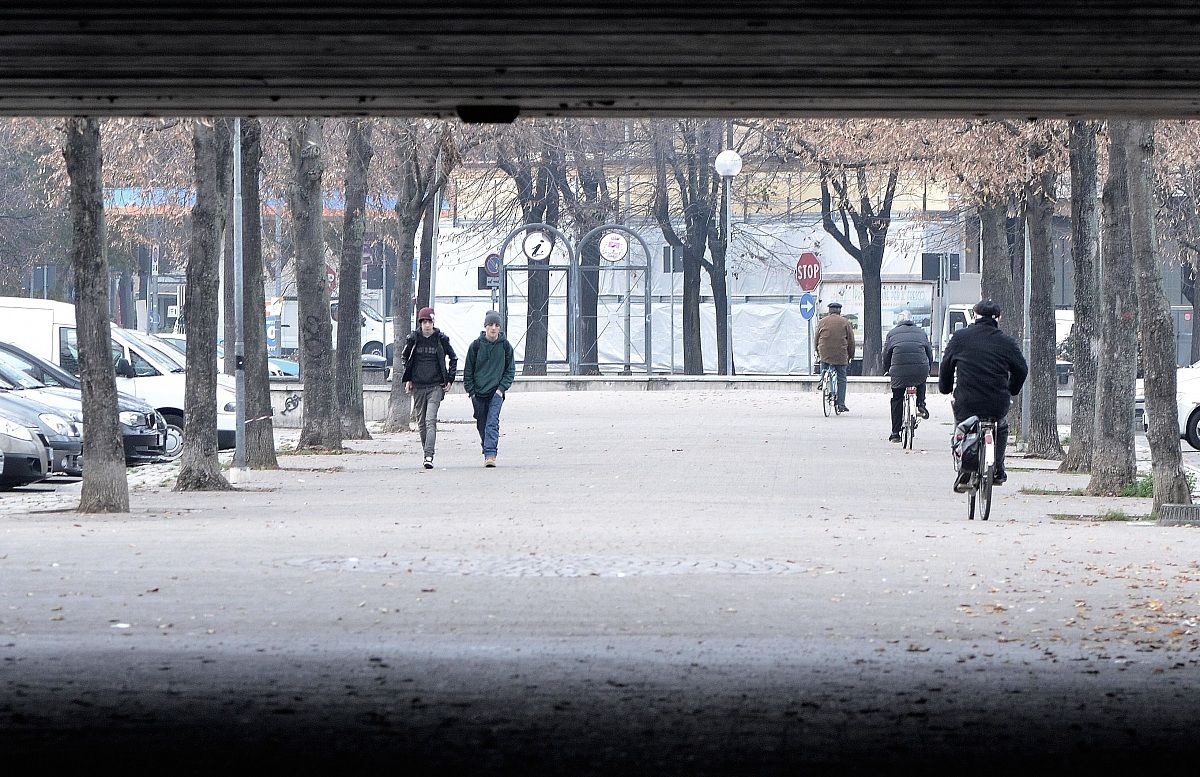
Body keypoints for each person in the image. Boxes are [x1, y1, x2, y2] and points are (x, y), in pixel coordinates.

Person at [938, 299, 1028, 487]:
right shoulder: (1006, 342)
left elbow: (946, 366)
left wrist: (945, 388)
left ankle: (963, 464)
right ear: (999, 318)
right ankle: (998, 468)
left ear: (974, 315)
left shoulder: (960, 338)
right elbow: (1022, 369)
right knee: (1001, 426)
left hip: (967, 401)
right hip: (997, 401)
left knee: (962, 426)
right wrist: (1012, 389)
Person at [402, 306, 457, 469]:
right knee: (421, 423)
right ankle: (427, 450)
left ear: (433, 322)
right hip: (418, 386)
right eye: (424, 322)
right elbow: (405, 358)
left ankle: (428, 455)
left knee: (430, 420)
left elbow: (453, 358)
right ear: (420, 323)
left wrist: (450, 379)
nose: (427, 325)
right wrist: (408, 379)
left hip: (435, 386)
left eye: (429, 321)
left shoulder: (441, 339)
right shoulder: (413, 339)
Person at [463, 310, 515, 468]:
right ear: (485, 326)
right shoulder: (476, 346)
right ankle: (486, 446)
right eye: (490, 324)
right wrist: (471, 392)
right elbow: (468, 370)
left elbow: (510, 370)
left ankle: (490, 454)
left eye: (497, 325)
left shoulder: (505, 346)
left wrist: (501, 389)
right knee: (482, 422)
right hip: (478, 393)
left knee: (492, 422)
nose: (493, 328)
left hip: (496, 393)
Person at [882, 310, 933, 442]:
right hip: (920, 369)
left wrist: (886, 369)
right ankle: (921, 403)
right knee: (921, 380)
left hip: (898, 371)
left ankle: (895, 434)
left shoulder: (892, 333)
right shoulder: (921, 332)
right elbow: (929, 352)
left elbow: (886, 354)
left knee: (897, 398)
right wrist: (929, 368)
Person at [814, 300, 855, 412]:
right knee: (841, 378)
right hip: (840, 355)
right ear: (839, 311)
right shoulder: (845, 322)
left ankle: (822, 380)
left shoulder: (822, 321)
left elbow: (816, 338)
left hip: (824, 352)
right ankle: (841, 404)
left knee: (824, 362)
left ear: (829, 311)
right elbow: (851, 341)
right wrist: (851, 355)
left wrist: (817, 352)